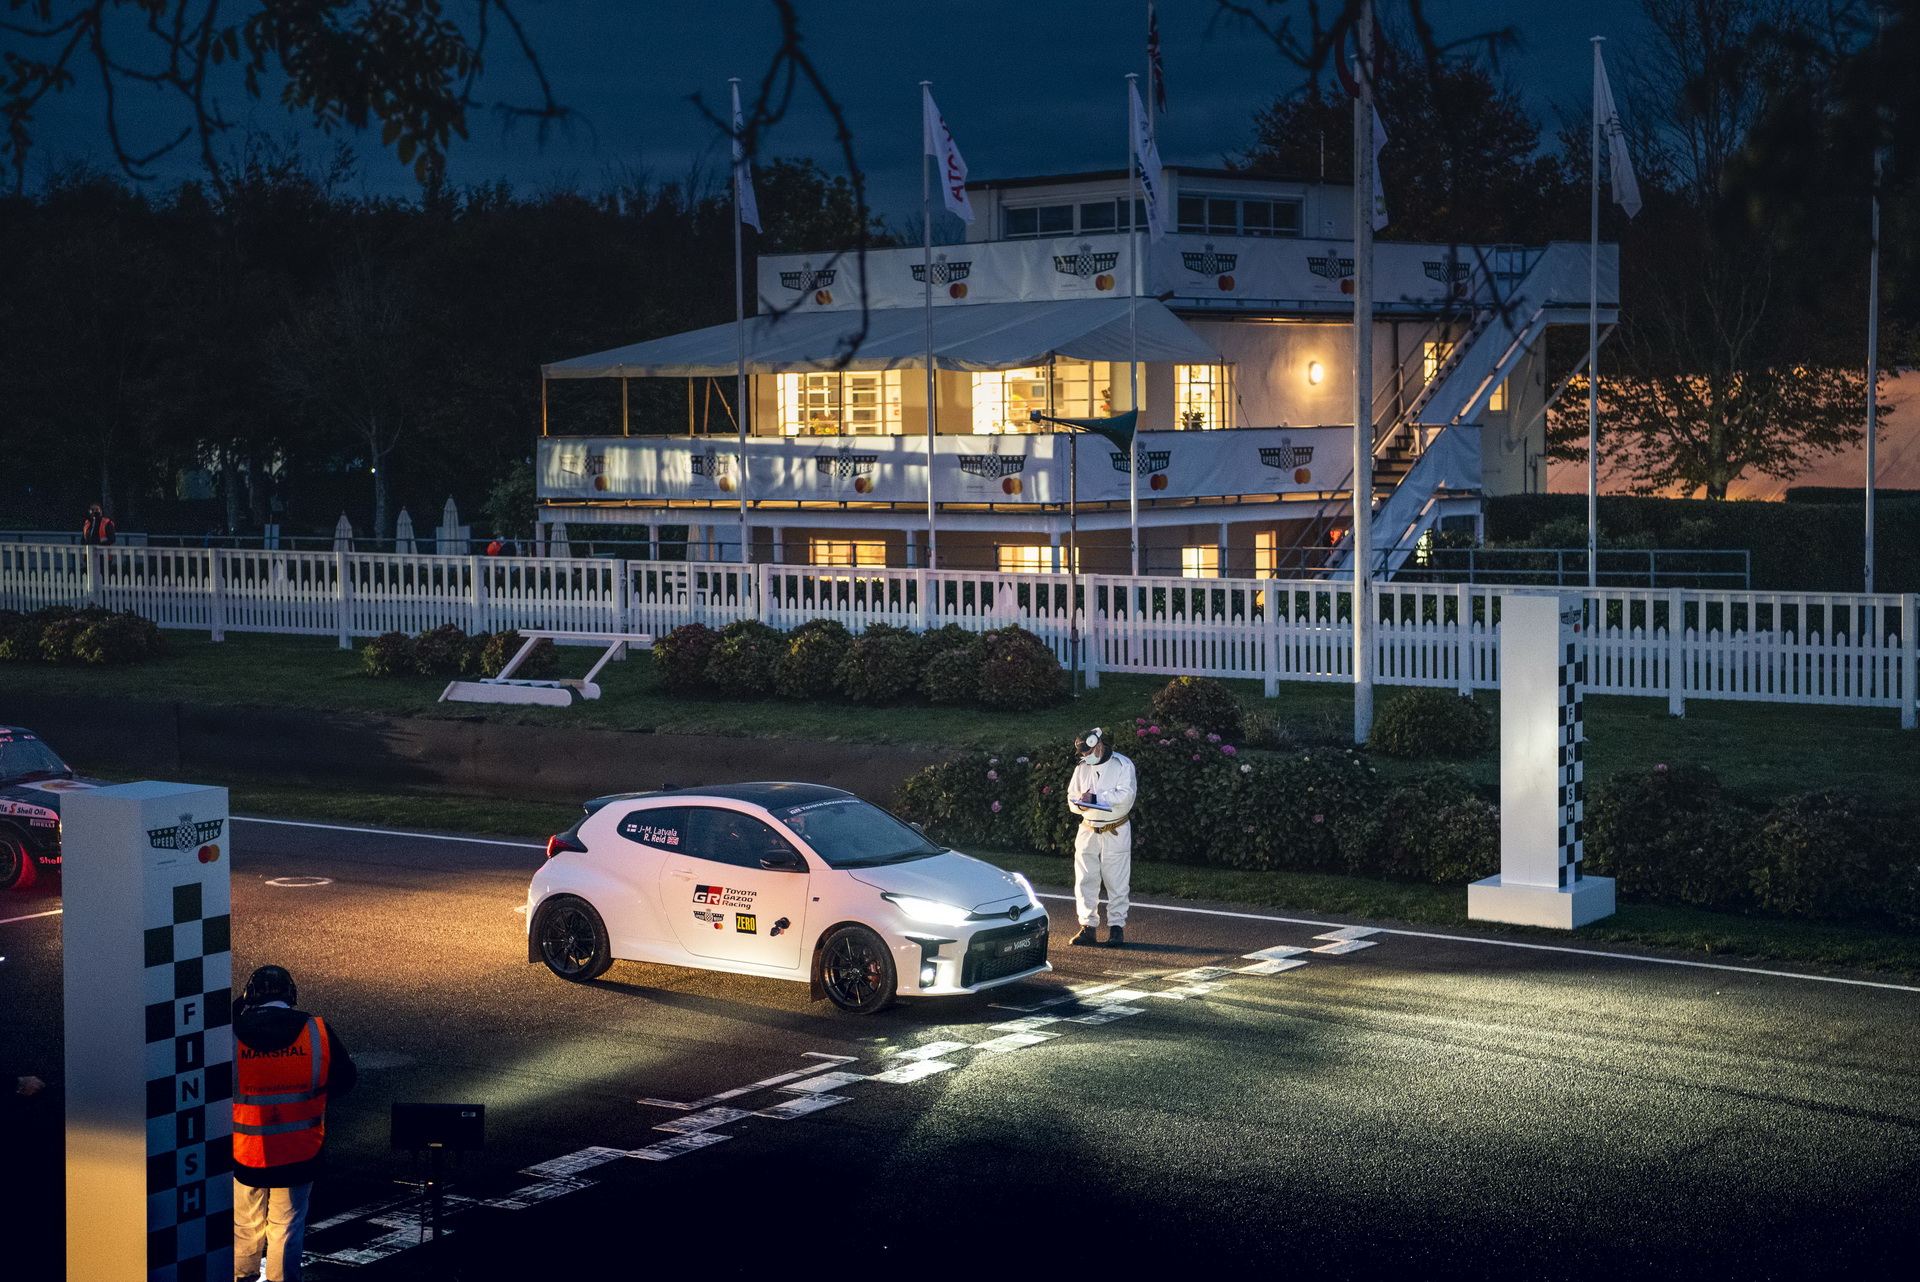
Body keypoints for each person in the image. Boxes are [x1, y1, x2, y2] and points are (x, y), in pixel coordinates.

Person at [232, 965, 357, 1282]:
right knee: (287, 1226)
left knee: (245, 1223)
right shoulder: (316, 1030)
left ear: (251, 995)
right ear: (291, 994)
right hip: (299, 1151)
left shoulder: (230, 1033)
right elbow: (345, 1080)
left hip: (244, 1151)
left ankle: (241, 1277)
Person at [1065, 727, 1137, 948]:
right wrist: (1080, 803)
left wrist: (1095, 798)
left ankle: (1116, 927)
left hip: (1115, 829)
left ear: (1098, 746)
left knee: (1116, 880)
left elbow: (1126, 796)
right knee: (1086, 879)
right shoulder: (1082, 767)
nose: (1085, 757)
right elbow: (1071, 798)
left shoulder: (1122, 766)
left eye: (1087, 752)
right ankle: (1088, 927)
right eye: (1082, 754)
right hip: (1088, 829)